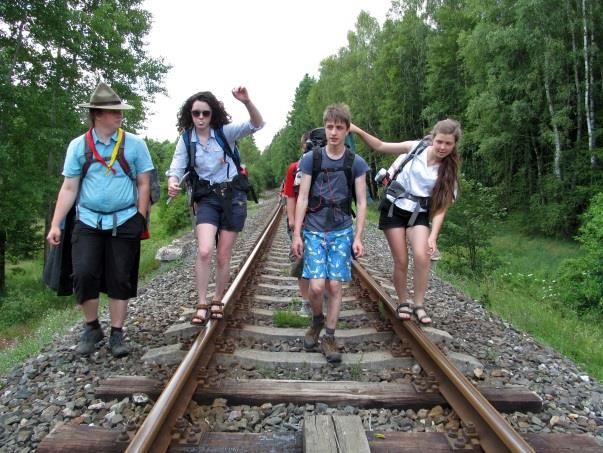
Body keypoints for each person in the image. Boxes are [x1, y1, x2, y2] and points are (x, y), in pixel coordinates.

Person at [47, 82, 155, 358]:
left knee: (120, 276)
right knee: (83, 273)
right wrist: (56, 223)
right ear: (97, 114)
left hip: (126, 219)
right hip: (88, 221)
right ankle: (92, 327)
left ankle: (117, 334)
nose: (120, 115)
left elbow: (144, 183)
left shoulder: (134, 144)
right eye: (113, 111)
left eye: (119, 111)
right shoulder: (78, 146)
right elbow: (69, 187)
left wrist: (140, 217)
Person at [166, 88, 263, 325]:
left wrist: (247, 102)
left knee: (222, 255)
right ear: (190, 114)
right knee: (204, 250)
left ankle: (217, 299)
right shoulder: (186, 138)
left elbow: (257, 124)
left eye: (205, 113)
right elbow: (177, 166)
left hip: (232, 196)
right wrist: (172, 181)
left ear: (212, 114)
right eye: (196, 113)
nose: (200, 117)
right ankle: (201, 302)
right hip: (207, 197)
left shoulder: (224, 133)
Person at [349, 119, 461, 325]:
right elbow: (380, 145)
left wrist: (433, 237)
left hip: (419, 213)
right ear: (432, 139)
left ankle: (418, 304)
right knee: (401, 261)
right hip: (394, 209)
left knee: (422, 256)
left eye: (448, 144)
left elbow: (441, 208)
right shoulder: (416, 147)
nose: (443, 147)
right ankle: (402, 302)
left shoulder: (449, 170)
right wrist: (356, 130)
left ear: (454, 145)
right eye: (439, 142)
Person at [292, 104, 369, 363]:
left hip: (341, 230)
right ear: (324, 128)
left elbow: (362, 202)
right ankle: (317, 320)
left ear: (347, 130)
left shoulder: (355, 163)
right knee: (315, 288)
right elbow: (302, 197)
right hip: (314, 229)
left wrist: (357, 237)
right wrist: (297, 234)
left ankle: (330, 336)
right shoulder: (310, 159)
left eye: (339, 127)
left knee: (335, 285)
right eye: (329, 127)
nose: (333, 132)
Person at [282, 132, 311, 316]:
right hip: (302, 222)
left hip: (323, 221)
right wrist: (293, 223)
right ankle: (306, 301)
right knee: (300, 261)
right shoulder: (295, 168)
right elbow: (290, 195)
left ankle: (319, 295)